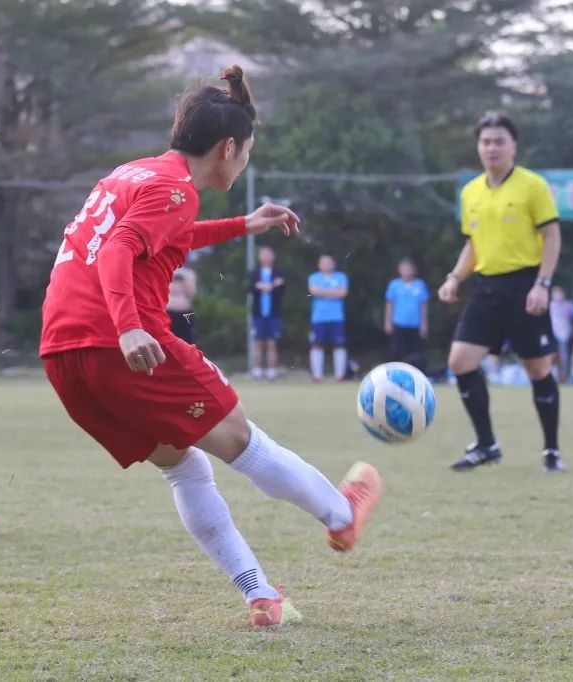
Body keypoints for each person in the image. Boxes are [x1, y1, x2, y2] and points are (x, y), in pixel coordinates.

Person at [39, 66, 381, 628]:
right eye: (245, 152)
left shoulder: (136, 174)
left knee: (184, 468)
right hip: (120, 341)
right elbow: (120, 250)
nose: (244, 161)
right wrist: (129, 327)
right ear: (228, 147)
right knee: (243, 439)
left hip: (64, 354)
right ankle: (341, 514)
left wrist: (243, 224)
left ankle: (260, 595)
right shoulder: (174, 189)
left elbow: (161, 234)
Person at [438, 112, 565, 473]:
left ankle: (551, 451)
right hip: (486, 287)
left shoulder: (532, 186)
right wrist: (454, 277)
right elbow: (473, 244)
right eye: (486, 141)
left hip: (526, 285)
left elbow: (552, 236)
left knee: (538, 370)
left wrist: (543, 283)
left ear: (513, 146)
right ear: (478, 147)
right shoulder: (471, 192)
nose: (492, 148)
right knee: (460, 361)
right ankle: (486, 444)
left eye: (499, 141)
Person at [308, 255, 351, 382]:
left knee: (339, 345)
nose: (326, 265)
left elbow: (343, 293)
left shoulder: (341, 277)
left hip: (336, 317)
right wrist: (333, 292)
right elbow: (313, 291)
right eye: (323, 263)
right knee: (316, 345)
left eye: (329, 262)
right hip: (318, 318)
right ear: (319, 265)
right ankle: (317, 376)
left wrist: (322, 291)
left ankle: (340, 375)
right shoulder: (314, 277)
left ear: (333, 264)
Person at [383, 258, 429, 371]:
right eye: (404, 269)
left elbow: (424, 305)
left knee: (416, 353)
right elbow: (389, 304)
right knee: (395, 351)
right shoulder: (394, 285)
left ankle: (417, 376)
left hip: (414, 324)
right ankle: (392, 374)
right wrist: (387, 322)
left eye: (409, 269)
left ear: (413, 270)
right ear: (399, 270)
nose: (407, 271)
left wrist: (424, 323)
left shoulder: (420, 285)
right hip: (398, 323)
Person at [248, 245, 285, 380]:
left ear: (273, 256)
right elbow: (251, 288)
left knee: (272, 343)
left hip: (274, 314)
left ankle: (271, 372)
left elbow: (281, 289)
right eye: (263, 254)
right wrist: (270, 285)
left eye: (268, 254)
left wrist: (269, 286)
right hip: (258, 314)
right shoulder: (254, 273)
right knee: (257, 343)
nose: (266, 257)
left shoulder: (279, 272)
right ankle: (257, 371)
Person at [549, 284, 573, 381]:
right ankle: (553, 375)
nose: (558, 295)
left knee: (564, 356)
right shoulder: (550, 306)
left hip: (564, 335)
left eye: (560, 293)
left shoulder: (569, 306)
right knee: (551, 356)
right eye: (556, 293)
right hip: (552, 335)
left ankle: (565, 376)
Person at [167, 266, 198, 344]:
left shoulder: (187, 273)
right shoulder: (188, 273)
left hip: (177, 310)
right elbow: (191, 292)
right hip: (176, 310)